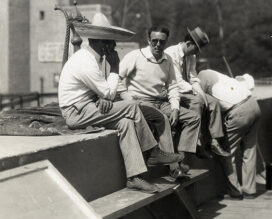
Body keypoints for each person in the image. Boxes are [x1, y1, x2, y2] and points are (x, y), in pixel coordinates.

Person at [58, 13, 183, 194]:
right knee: (132, 106)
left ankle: (134, 177)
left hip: (88, 106)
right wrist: (115, 67)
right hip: (76, 112)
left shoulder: (93, 58)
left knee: (126, 123)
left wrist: (102, 98)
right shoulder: (85, 60)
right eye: (111, 42)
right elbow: (108, 92)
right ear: (101, 43)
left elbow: (102, 91)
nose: (114, 46)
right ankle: (153, 152)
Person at [118, 26, 201, 170]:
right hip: (141, 101)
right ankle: (174, 169)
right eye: (154, 41)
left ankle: (182, 159)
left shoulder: (167, 59)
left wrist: (175, 108)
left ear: (166, 41)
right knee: (162, 119)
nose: (158, 45)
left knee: (193, 118)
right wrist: (127, 97)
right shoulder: (135, 56)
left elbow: (173, 86)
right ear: (148, 40)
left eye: (162, 42)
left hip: (161, 102)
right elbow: (117, 78)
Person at [164, 27, 231, 158]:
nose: (196, 53)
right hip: (172, 91)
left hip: (186, 89)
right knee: (197, 101)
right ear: (188, 44)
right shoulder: (171, 53)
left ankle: (215, 141)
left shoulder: (191, 55)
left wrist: (201, 93)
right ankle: (197, 142)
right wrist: (198, 95)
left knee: (213, 102)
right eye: (196, 49)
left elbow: (193, 77)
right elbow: (177, 81)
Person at [197, 69, 261, 199]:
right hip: (253, 105)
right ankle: (250, 191)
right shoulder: (219, 76)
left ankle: (235, 191)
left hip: (239, 111)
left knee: (225, 152)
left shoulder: (200, 78)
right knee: (249, 152)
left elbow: (201, 103)